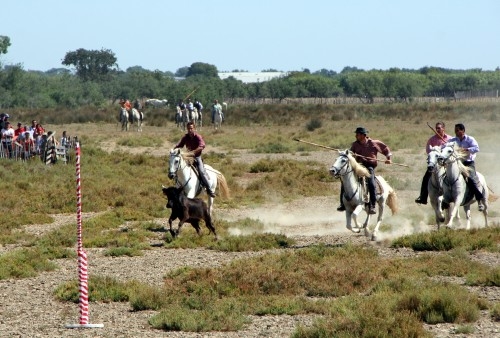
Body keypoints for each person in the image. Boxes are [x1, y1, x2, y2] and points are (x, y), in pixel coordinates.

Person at [337, 127, 392, 215]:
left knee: (371, 182)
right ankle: (342, 204)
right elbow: (350, 154)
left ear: (363, 135)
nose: (356, 136)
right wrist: (348, 154)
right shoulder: (355, 144)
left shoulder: (374, 143)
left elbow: (385, 149)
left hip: (369, 166)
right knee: (345, 182)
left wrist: (388, 159)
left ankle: (372, 205)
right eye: (356, 134)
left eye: (358, 134)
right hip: (358, 166)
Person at [448, 123, 485, 211]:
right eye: (455, 130)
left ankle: (479, 199)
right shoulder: (453, 140)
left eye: (458, 130)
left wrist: (467, 149)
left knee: (471, 178)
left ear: (463, 131)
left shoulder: (470, 139)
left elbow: (476, 148)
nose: (456, 132)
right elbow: (446, 147)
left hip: (468, 163)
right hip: (457, 163)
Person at [174, 121, 216, 197]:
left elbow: (202, 146)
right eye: (188, 128)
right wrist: (174, 150)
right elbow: (180, 145)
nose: (190, 130)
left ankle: (209, 189)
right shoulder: (185, 137)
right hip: (187, 157)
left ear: (194, 128)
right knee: (178, 169)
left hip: (197, 157)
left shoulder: (198, 137)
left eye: (191, 128)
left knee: (201, 171)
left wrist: (194, 152)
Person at [415, 122, 452, 205]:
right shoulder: (432, 139)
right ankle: (423, 197)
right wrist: (435, 152)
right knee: (426, 178)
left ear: (443, 128)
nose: (437, 130)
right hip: (435, 164)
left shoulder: (450, 139)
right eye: (436, 128)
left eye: (439, 128)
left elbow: (452, 150)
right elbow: (428, 151)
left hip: (446, 163)